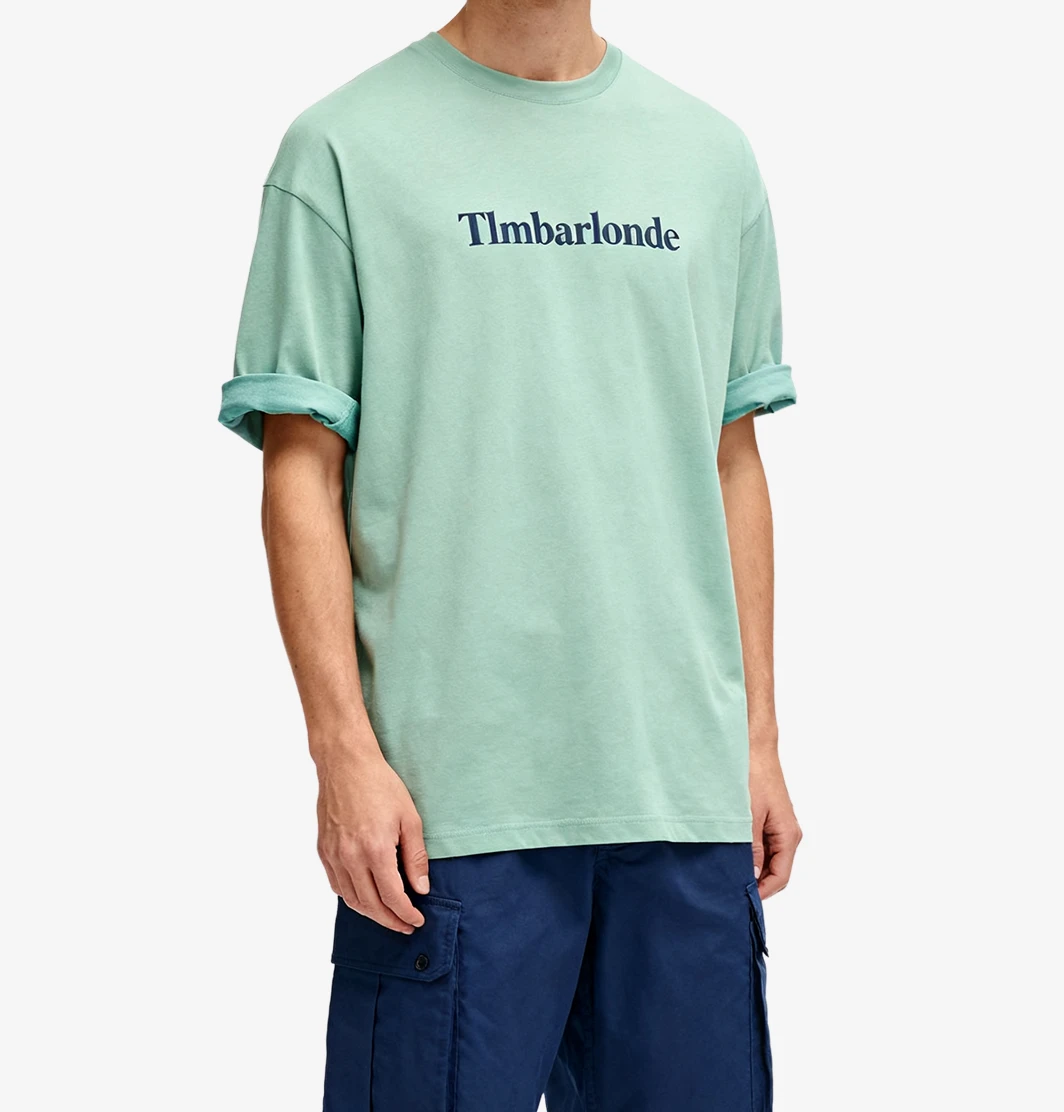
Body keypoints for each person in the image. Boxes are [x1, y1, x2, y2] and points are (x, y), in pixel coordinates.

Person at [218, 1, 802, 1108]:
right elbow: (301, 466)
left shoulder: (710, 156)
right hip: (448, 807)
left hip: (681, 794)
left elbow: (731, 459)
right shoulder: (342, 146)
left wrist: (758, 740)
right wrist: (341, 753)